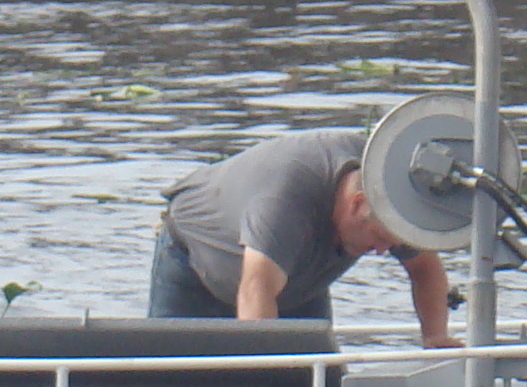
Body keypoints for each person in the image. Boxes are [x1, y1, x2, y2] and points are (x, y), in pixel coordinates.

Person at [151, 132, 453, 344]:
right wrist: (268, 382)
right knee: (170, 385)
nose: (381, 252)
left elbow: (425, 269)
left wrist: (435, 337)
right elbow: (255, 292)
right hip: (194, 259)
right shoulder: (283, 203)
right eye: (378, 238)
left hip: (297, 281)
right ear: (357, 202)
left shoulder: (391, 194)